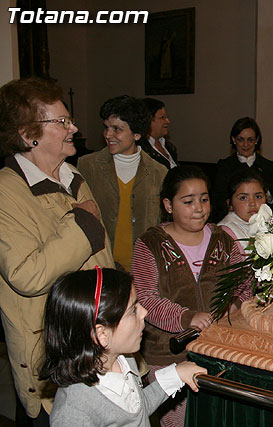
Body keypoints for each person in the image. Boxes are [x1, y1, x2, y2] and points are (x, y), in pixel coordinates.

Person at [0, 77, 114, 424]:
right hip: (56, 357)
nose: (74, 128)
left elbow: (101, 258)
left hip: (99, 347)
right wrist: (82, 227)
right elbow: (27, 275)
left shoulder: (73, 175)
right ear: (27, 134)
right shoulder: (7, 192)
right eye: (62, 121)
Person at [131, 165, 246, 426]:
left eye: (204, 199)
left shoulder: (223, 238)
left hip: (218, 350)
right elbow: (146, 298)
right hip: (167, 354)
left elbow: (243, 282)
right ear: (168, 205)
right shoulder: (150, 244)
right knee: (178, 421)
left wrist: (235, 306)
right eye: (188, 201)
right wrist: (187, 317)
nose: (199, 208)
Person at [40, 268, 206, 426]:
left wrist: (175, 375)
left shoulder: (124, 360)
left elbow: (137, 411)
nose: (144, 313)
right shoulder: (73, 411)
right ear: (102, 335)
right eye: (133, 310)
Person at [78, 95, 167, 271]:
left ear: (137, 134)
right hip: (99, 266)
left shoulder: (159, 172)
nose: (108, 135)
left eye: (116, 129)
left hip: (143, 268)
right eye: (106, 127)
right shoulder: (87, 165)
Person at [213, 117, 273, 222]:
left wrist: (267, 193)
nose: (245, 145)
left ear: (257, 140)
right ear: (233, 139)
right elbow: (218, 203)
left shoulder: (267, 166)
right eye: (241, 139)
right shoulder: (224, 167)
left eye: (250, 140)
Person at [218, 169, 268, 254]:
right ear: (230, 204)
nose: (252, 203)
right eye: (243, 198)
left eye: (258, 197)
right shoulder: (225, 234)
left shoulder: (268, 221)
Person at [140, 98, 178, 169]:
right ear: (147, 120)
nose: (167, 121)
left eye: (166, 117)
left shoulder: (169, 147)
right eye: (162, 117)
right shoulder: (140, 150)